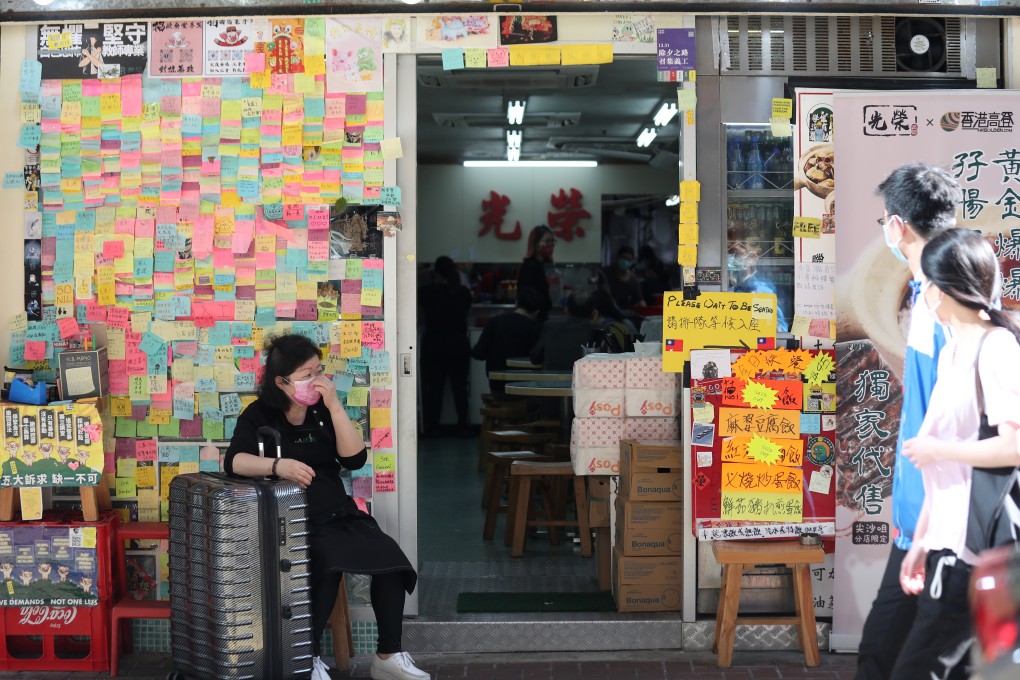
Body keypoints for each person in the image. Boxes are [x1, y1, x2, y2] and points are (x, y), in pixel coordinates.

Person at [225, 334, 429, 680]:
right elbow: (235, 462)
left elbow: (355, 457)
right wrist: (279, 467)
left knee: (391, 561)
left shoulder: (321, 409)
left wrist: (335, 405)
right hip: (291, 522)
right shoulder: (260, 414)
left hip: (338, 513)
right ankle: (307, 660)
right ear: (281, 381)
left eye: (319, 371)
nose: (316, 380)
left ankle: (387, 656)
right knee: (326, 565)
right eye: (307, 374)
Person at [890, 229, 1020, 680]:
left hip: (977, 547)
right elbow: (943, 473)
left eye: (924, 285)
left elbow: (1015, 444)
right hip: (949, 546)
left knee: (920, 669)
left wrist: (937, 448)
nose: (922, 294)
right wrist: (921, 542)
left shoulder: (996, 347)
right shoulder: (952, 353)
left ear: (940, 290)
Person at [855, 162, 962, 680]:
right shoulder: (932, 295)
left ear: (897, 227)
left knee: (897, 656)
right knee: (890, 653)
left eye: (884, 222)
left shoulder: (942, 304)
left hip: (942, 520)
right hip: (923, 518)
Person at [418, 256, 472, 437]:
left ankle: (433, 426)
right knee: (460, 389)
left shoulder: (428, 292)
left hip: (435, 346)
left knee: (435, 389)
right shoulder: (463, 293)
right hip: (458, 345)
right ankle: (463, 425)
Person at [471, 286, 542, 398]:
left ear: (517, 303)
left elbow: (478, 354)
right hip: (525, 390)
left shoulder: (494, 322)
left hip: (497, 389)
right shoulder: (535, 328)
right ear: (537, 311)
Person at [530, 290, 598, 370]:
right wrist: (593, 324)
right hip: (585, 382)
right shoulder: (598, 332)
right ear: (594, 313)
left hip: (552, 381)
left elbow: (535, 359)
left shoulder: (550, 328)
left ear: (566, 311)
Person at [729, 244, 789, 333]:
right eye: (731, 254)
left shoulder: (763, 290)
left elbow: (780, 331)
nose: (733, 260)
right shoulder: (725, 288)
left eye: (737, 255)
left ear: (752, 258)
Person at [517, 225, 555, 322]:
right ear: (535, 244)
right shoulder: (531, 265)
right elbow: (526, 296)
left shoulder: (539, 265)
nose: (550, 244)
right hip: (532, 320)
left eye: (552, 241)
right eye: (547, 241)